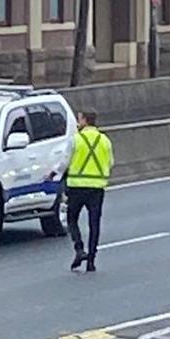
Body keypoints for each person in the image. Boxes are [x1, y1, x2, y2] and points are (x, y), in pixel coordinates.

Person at [65, 109, 113, 272]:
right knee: (94, 224)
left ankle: (79, 248)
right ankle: (91, 260)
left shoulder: (76, 140)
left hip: (77, 186)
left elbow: (65, 161)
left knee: (71, 219)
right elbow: (110, 162)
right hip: (97, 188)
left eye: (79, 119)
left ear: (85, 120)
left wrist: (53, 174)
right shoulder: (105, 140)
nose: (78, 123)